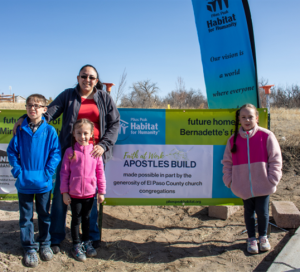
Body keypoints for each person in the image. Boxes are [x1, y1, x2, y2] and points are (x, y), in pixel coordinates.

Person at [13, 65, 120, 254]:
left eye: (92, 77)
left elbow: (115, 123)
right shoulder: (69, 95)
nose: (88, 80)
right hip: (69, 154)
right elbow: (48, 113)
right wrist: (25, 117)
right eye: (84, 76)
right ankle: (56, 237)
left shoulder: (104, 98)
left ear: (97, 80)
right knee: (62, 195)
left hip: (93, 154)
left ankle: (91, 237)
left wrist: (103, 145)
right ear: (78, 77)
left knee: (89, 198)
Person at [7, 94, 61, 268]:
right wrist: (18, 171)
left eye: (37, 106)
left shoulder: (50, 131)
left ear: (45, 110)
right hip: (24, 183)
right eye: (30, 105)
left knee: (45, 216)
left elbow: (55, 153)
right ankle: (29, 248)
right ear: (26, 109)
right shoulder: (20, 130)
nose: (33, 108)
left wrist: (47, 173)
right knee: (26, 218)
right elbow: (11, 152)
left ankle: (45, 244)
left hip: (43, 183)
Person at [222, 104, 282, 254]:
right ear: (239, 119)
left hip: (263, 184)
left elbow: (275, 159)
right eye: (243, 117)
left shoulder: (266, 136)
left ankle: (263, 237)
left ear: (256, 118)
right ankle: (251, 239)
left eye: (250, 117)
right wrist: (229, 181)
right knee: (248, 213)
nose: (247, 120)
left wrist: (273, 179)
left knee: (262, 212)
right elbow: (227, 162)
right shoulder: (233, 140)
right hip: (242, 185)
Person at [60, 119, 106, 262]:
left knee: (87, 219)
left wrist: (101, 192)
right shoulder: (70, 152)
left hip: (90, 193)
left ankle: (87, 242)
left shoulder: (95, 152)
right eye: (79, 133)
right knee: (76, 219)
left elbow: (100, 173)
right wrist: (65, 192)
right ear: (74, 134)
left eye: (86, 133)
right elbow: (64, 173)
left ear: (92, 134)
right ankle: (76, 244)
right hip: (74, 194)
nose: (82, 136)